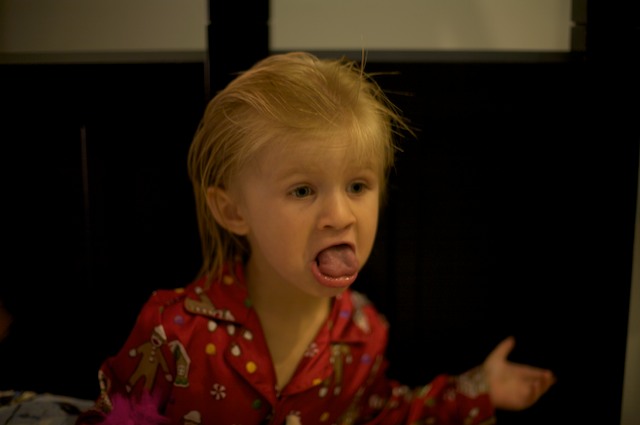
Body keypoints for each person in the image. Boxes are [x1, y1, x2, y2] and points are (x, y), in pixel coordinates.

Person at [76, 51, 555, 425]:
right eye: (303, 190)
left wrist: (480, 389)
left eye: (357, 187)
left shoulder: (362, 331)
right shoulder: (173, 330)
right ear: (233, 211)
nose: (340, 216)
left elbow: (382, 415)